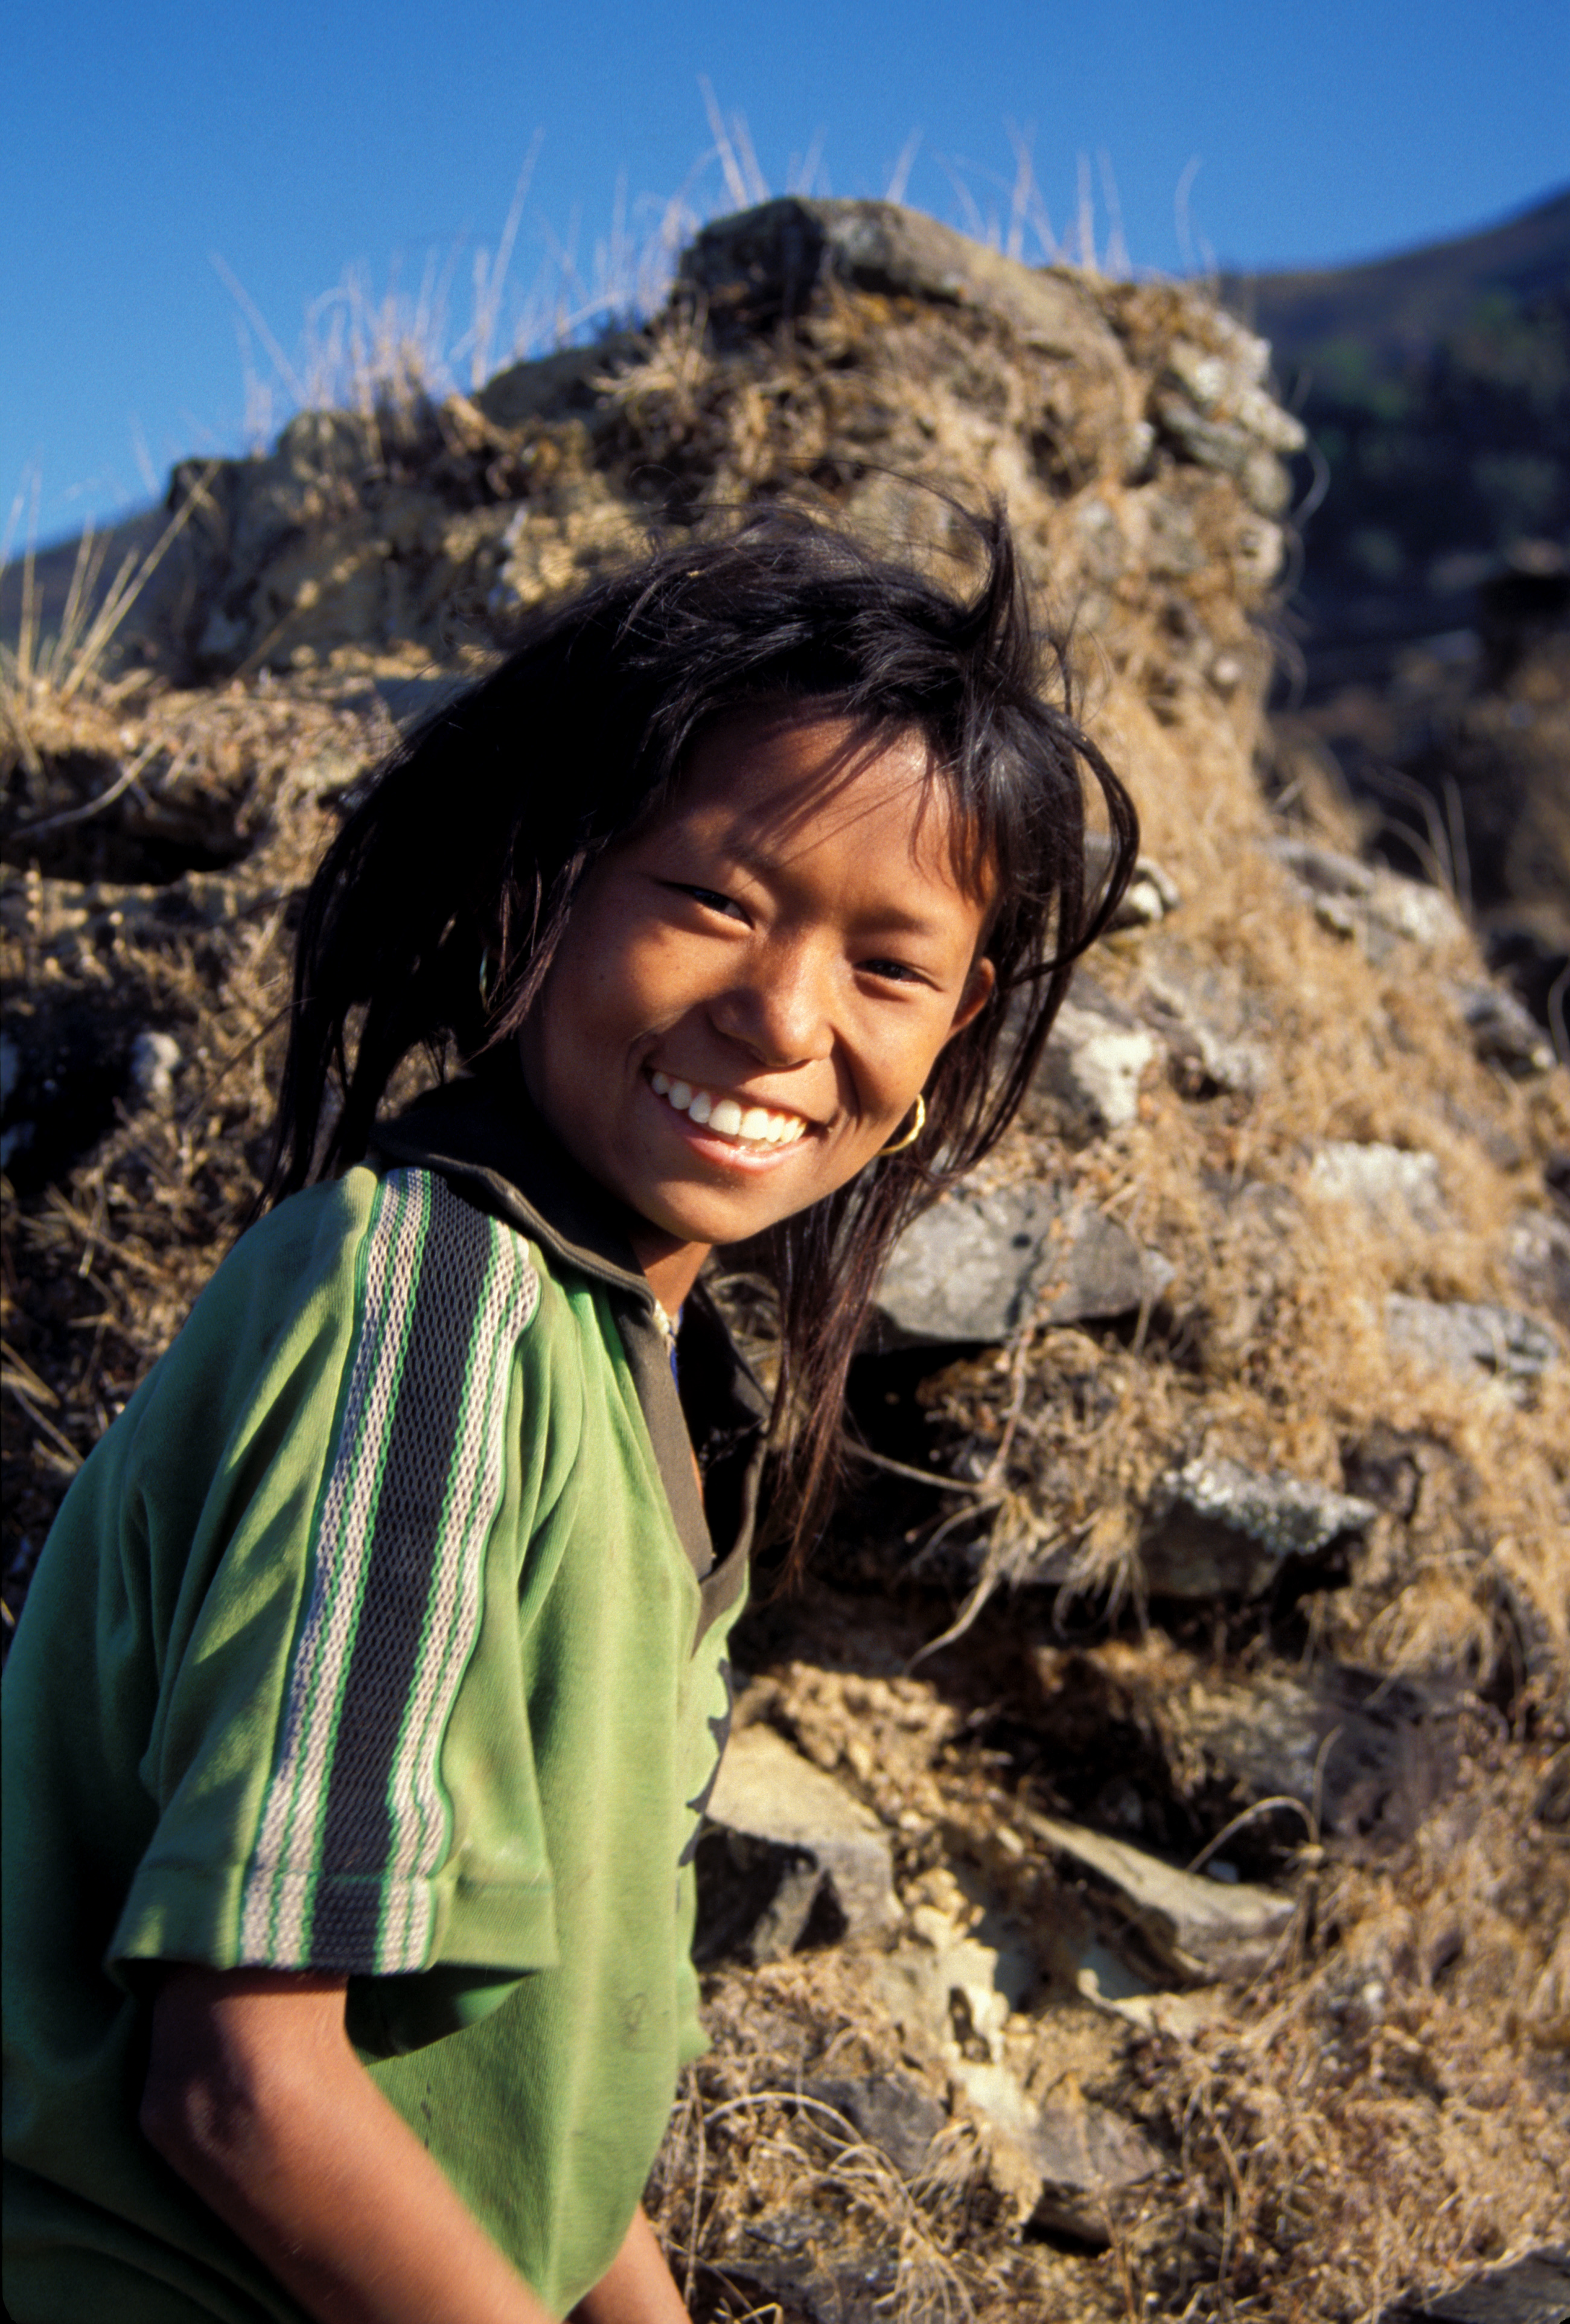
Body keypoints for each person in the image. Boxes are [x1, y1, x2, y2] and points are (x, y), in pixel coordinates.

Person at [2, 506, 1137, 2323]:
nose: (783, 1014)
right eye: (712, 896)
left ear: (957, 1025)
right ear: (552, 876)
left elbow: (496, 2091)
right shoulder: (430, 1321)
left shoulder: (623, 1350)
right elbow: (249, 2085)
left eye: (888, 964)